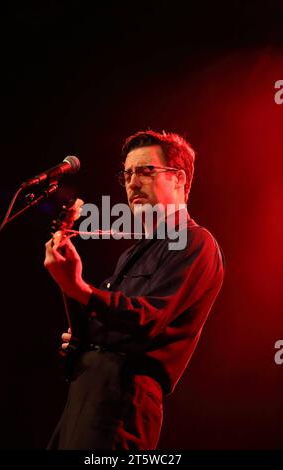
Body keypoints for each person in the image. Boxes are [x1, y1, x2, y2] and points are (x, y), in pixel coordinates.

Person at [44, 130, 225, 450]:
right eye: (127, 174)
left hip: (121, 402)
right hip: (82, 400)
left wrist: (80, 289)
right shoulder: (131, 253)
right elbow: (98, 326)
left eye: (146, 170)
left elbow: (147, 320)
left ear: (179, 180)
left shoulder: (198, 242)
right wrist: (70, 288)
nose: (131, 182)